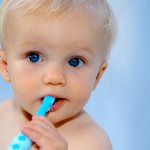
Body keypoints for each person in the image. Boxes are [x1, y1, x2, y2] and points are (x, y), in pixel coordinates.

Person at [0, 0, 116, 149]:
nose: (55, 78)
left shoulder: (93, 142)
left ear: (97, 76)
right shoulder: (3, 114)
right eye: (34, 57)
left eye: (75, 61)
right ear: (6, 67)